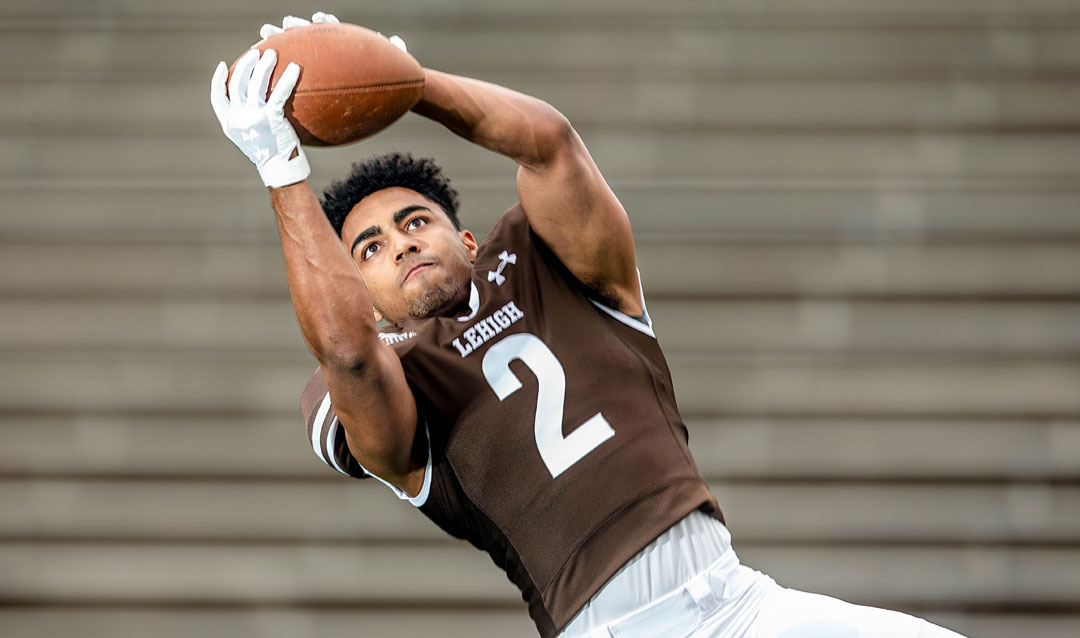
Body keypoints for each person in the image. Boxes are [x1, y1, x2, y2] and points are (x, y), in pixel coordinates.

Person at [210, 12, 969, 638]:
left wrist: (416, 87)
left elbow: (551, 146)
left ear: (467, 241)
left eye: (416, 221)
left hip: (742, 603)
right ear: (365, 296)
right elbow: (347, 352)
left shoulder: (547, 262)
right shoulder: (381, 374)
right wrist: (283, 169)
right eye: (368, 248)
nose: (401, 241)